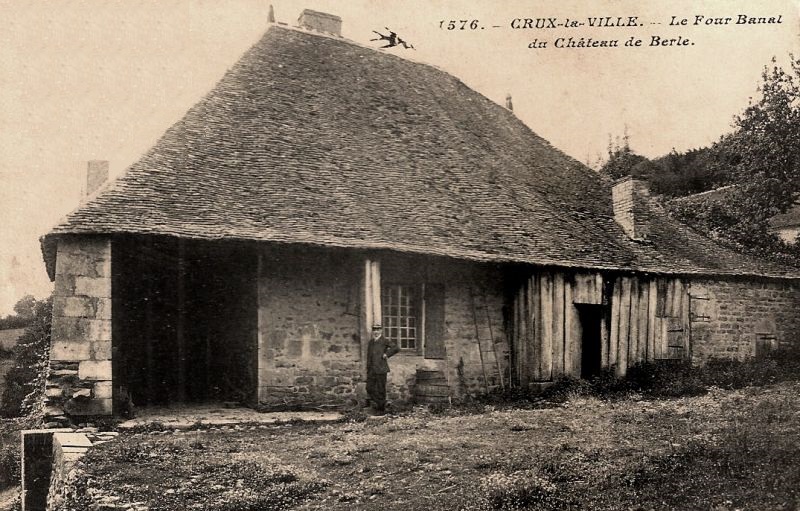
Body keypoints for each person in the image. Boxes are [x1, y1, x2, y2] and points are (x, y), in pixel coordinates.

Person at [366, 324, 399, 414]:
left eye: (378, 330)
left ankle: (381, 409)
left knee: (381, 389)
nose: (376, 332)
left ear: (381, 331)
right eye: (374, 330)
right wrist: (368, 368)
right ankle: (383, 403)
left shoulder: (384, 341)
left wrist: (387, 354)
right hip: (372, 369)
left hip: (381, 369)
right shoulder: (371, 342)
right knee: (369, 388)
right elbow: (369, 356)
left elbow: (396, 348)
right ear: (373, 331)